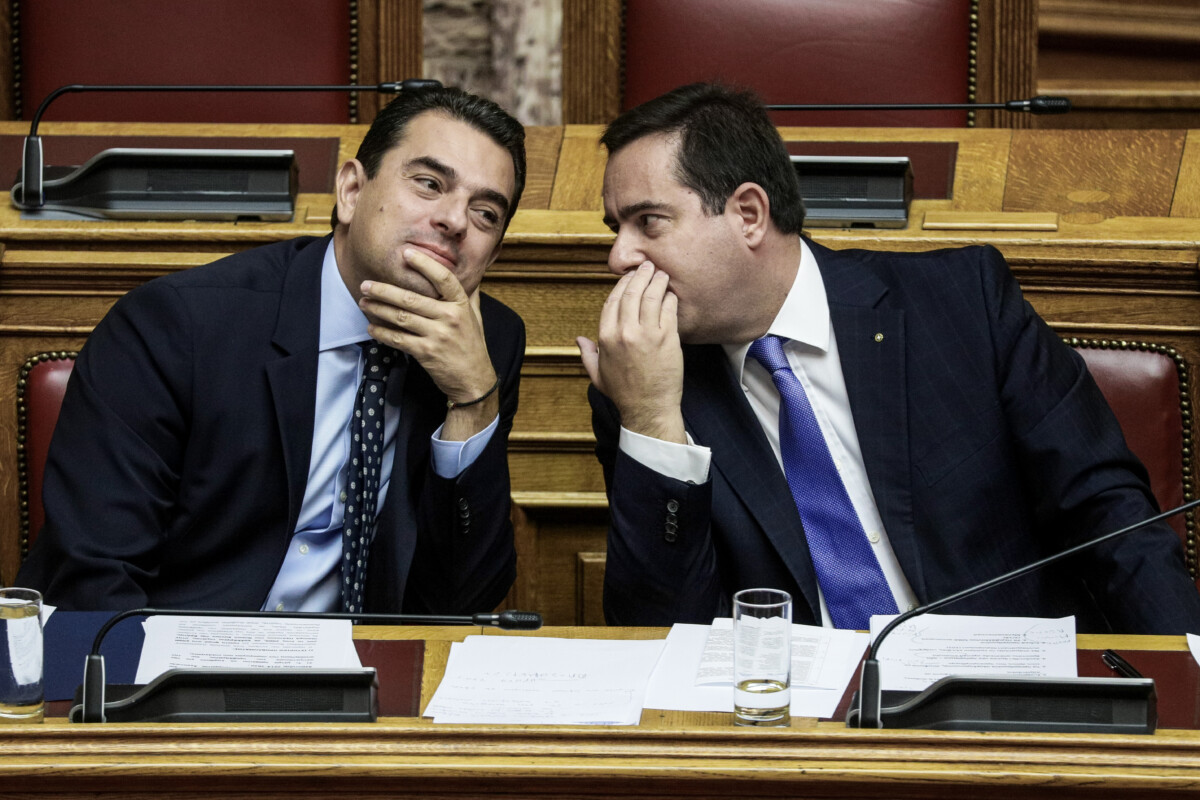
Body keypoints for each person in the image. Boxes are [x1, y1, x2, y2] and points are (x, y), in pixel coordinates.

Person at [577, 82, 1200, 633]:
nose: (619, 257)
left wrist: (1187, 675)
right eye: (616, 229)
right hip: (805, 717)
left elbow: (1107, 515)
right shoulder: (645, 388)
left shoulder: (962, 304)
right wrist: (651, 420)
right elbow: (660, 637)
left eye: (648, 222)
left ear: (748, 214)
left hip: (1003, 691)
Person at [18, 85, 527, 614]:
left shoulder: (488, 346)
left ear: (492, 254)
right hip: (176, 648)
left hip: (361, 658)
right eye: (429, 184)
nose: (455, 220)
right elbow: (94, 579)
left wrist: (474, 400)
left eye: (486, 214)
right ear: (352, 191)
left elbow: (462, 601)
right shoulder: (176, 325)